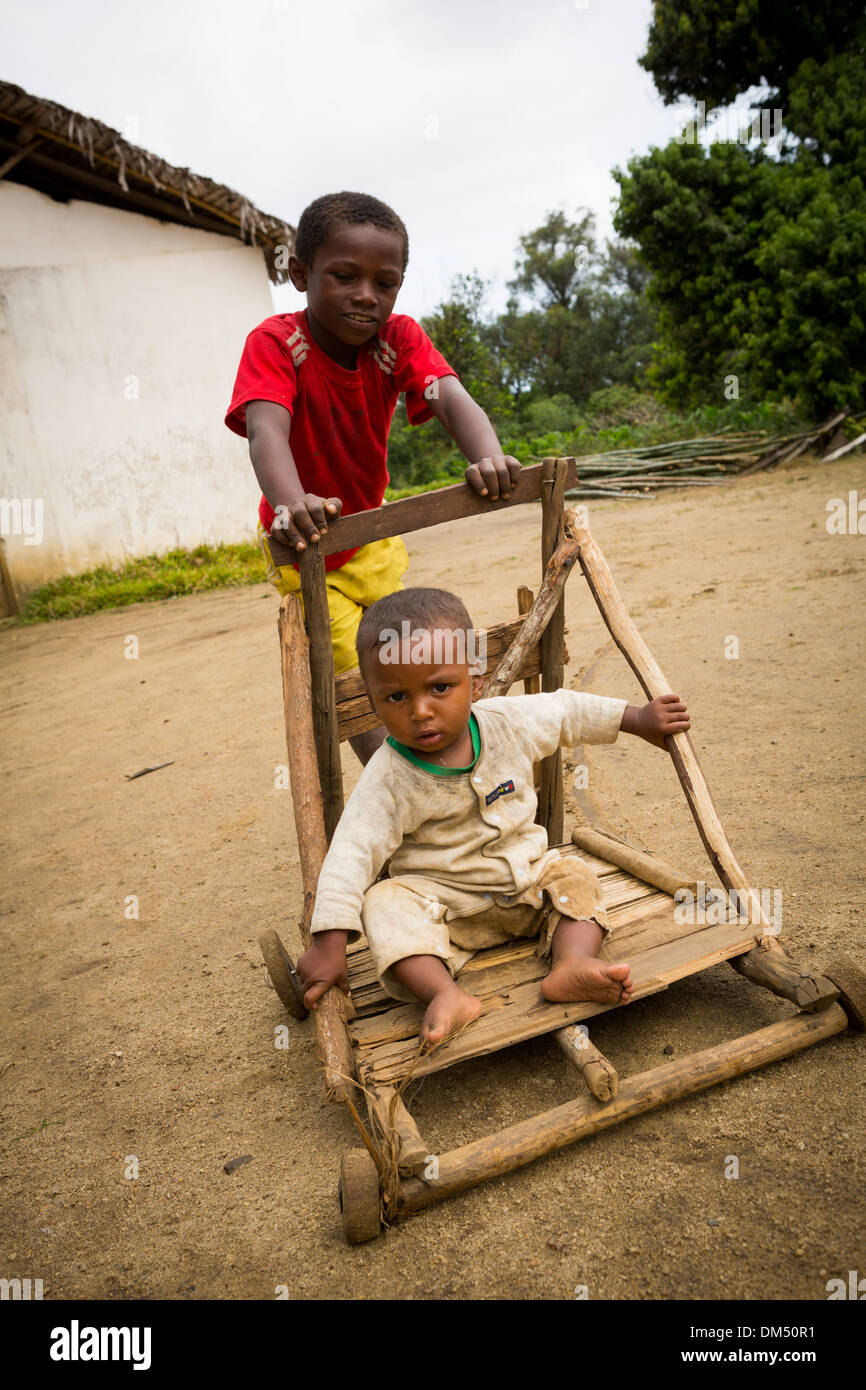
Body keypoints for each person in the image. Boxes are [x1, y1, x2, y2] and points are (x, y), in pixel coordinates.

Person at [296, 587, 691, 1050]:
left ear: (475, 680)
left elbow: (566, 711)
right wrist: (328, 942)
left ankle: (571, 964)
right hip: (442, 907)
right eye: (397, 697)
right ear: (373, 703)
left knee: (574, 873)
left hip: (528, 882)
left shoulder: (507, 721)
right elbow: (351, 852)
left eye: (440, 688)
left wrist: (637, 718)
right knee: (383, 902)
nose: (420, 711)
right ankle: (444, 993)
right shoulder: (386, 777)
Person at [225, 191, 521, 765]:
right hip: (306, 545)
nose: (366, 295)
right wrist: (291, 505)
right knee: (348, 665)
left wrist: (489, 456)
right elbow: (266, 430)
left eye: (385, 283)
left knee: (406, 649)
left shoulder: (397, 339)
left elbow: (448, 396)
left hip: (372, 532)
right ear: (299, 274)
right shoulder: (275, 344)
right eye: (344, 276)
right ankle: (397, 779)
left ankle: (444, 765)